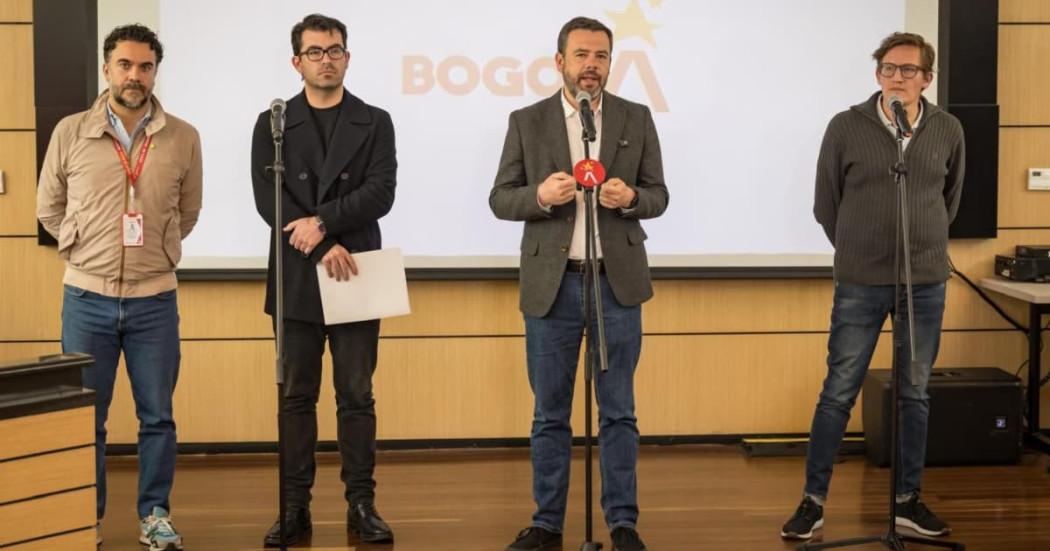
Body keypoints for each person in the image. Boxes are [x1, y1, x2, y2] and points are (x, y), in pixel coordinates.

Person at [489, 16, 669, 551]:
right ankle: (547, 523)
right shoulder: (527, 120)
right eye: (582, 55)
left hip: (616, 285)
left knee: (618, 410)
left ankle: (622, 523)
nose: (592, 65)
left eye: (602, 56)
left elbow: (658, 194)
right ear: (559, 62)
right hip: (553, 285)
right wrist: (541, 196)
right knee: (550, 413)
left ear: (611, 63)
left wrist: (631, 199)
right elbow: (501, 198)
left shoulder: (635, 117)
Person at [780, 32, 965, 541]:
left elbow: (949, 200)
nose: (897, 78)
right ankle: (812, 502)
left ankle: (908, 501)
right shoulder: (846, 126)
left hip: (924, 281)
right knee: (838, 390)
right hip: (861, 280)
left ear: (927, 79)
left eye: (908, 70)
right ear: (877, 74)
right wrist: (859, 247)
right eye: (888, 68)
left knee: (916, 393)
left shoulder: (948, 128)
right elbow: (826, 203)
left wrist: (920, 246)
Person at [36, 23, 201, 551]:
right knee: (89, 418)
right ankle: (87, 520)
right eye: (125, 65)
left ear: (156, 71)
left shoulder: (183, 136)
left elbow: (189, 211)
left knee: (158, 416)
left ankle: (155, 515)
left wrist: (161, 248)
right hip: (86, 300)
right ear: (106, 69)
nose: (135, 76)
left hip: (155, 299)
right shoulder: (70, 131)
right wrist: (82, 248)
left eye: (145, 66)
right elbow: (48, 207)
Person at [250, 13, 397, 547]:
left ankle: (362, 504)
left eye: (334, 50)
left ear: (348, 57)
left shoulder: (375, 120)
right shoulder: (273, 122)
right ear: (297, 62)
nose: (326, 59)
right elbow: (270, 200)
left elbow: (381, 192)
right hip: (298, 274)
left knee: (357, 395)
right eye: (315, 52)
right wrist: (321, 240)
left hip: (358, 271)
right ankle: (294, 508)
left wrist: (325, 224)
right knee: (295, 398)